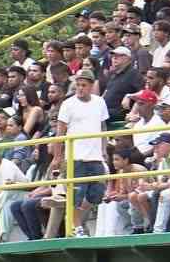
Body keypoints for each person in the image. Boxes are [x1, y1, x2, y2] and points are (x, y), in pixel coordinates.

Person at [54, 70, 109, 236]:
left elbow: (103, 127)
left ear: (91, 86)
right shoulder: (68, 104)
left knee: (97, 193)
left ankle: (76, 220)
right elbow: (60, 132)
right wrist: (58, 156)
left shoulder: (99, 102)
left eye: (83, 85)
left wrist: (104, 149)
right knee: (75, 195)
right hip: (75, 156)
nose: (80, 88)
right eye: (77, 85)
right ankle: (76, 226)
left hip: (95, 156)